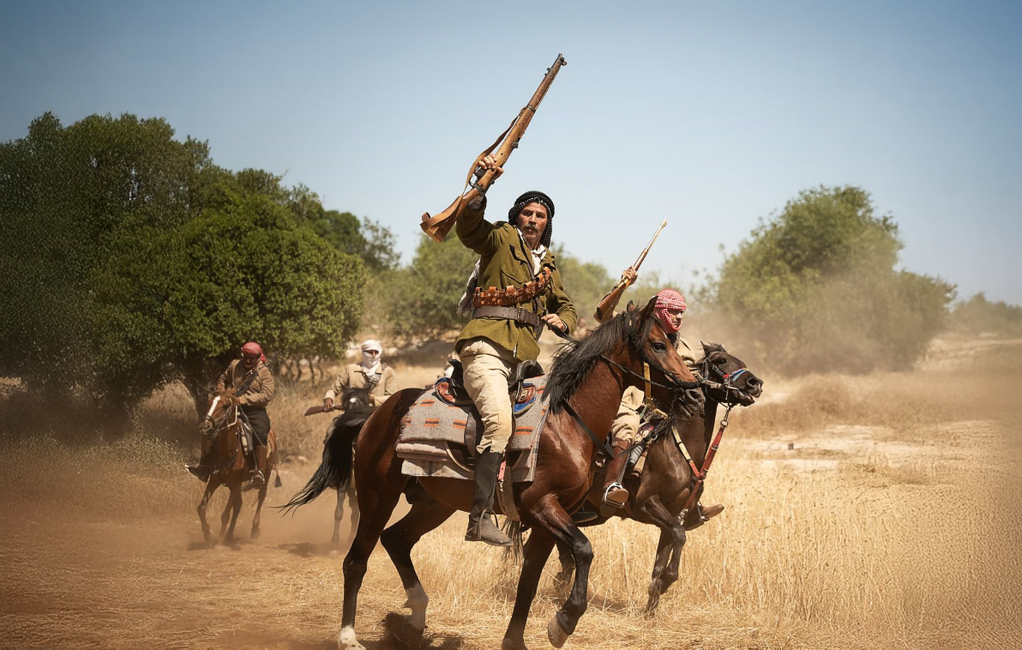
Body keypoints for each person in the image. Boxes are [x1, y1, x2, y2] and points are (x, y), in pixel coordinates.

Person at [455, 155, 577, 546]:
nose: (533, 219)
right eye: (527, 212)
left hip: (525, 360)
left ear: (548, 223)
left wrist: (563, 322)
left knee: (560, 425)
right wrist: (480, 190)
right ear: (517, 216)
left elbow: (567, 307)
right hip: (487, 348)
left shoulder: (548, 267)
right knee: (500, 425)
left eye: (540, 215)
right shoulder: (501, 238)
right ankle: (477, 519)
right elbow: (470, 229)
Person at [594, 274, 722, 524]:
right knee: (628, 424)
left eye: (682, 312)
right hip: (635, 401)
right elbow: (603, 316)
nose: (679, 317)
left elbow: (691, 377)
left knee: (692, 434)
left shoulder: (682, 346)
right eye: (673, 312)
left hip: (666, 407)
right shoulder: (637, 330)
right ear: (660, 311)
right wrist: (622, 287)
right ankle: (613, 486)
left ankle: (689, 503)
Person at [188, 341, 275, 487]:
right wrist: (220, 391)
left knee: (260, 431)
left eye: (252, 358)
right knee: (209, 426)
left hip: (254, 410)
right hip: (231, 406)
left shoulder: (264, 372)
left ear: (258, 358)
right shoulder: (235, 365)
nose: (248, 361)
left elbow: (267, 395)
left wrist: (241, 399)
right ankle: (204, 467)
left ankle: (258, 472)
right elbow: (223, 378)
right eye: (246, 357)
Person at [323, 339, 396, 412]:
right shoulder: (350, 369)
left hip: (376, 414)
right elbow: (334, 389)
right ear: (363, 353)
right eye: (370, 352)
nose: (373, 355)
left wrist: (373, 399)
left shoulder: (387, 371)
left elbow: (392, 398)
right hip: (352, 413)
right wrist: (329, 398)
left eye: (376, 352)